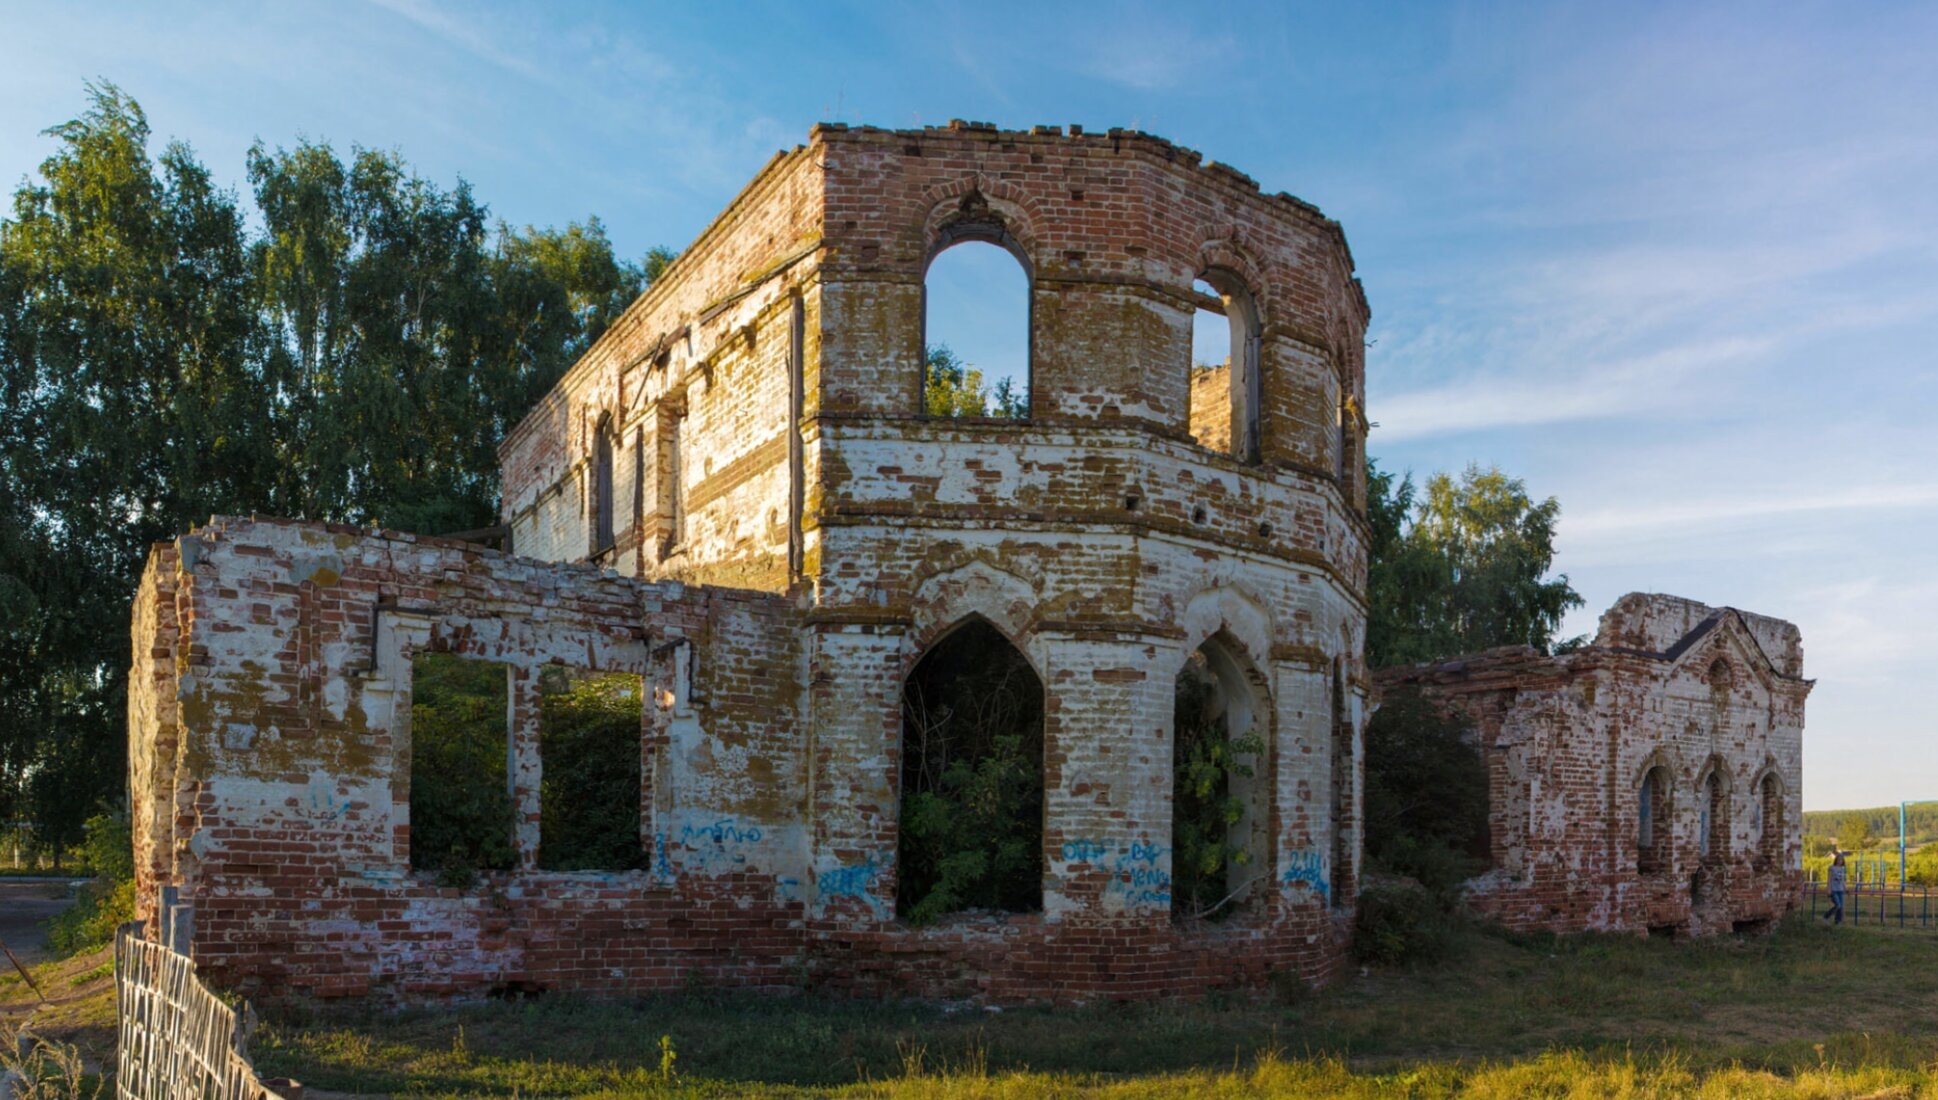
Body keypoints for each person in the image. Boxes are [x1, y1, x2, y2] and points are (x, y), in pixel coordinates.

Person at [1823, 851, 1846, 925]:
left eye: (1841, 860)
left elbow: (1842, 880)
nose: (1840, 861)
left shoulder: (1842, 869)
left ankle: (1838, 921)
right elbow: (1829, 879)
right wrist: (1828, 889)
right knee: (1838, 905)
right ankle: (1826, 916)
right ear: (1836, 860)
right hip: (1833, 889)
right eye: (1839, 860)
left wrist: (1846, 888)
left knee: (1841, 907)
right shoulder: (1831, 868)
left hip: (1840, 889)